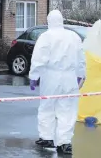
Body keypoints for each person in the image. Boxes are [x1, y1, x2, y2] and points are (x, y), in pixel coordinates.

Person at [29, 10, 86, 155]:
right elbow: (81, 58)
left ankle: (46, 137)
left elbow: (38, 58)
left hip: (50, 76)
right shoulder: (74, 36)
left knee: (47, 106)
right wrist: (81, 75)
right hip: (69, 77)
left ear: (49, 21)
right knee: (67, 109)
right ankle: (65, 143)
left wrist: (34, 76)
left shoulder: (46, 37)